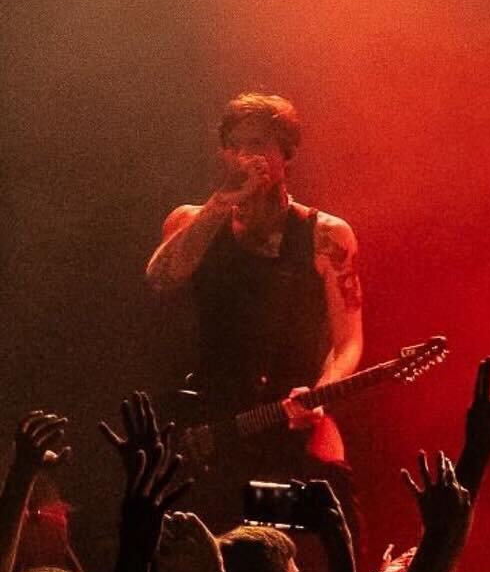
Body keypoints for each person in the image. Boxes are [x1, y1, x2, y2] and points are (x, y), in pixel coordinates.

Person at [145, 92, 362, 526]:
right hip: (211, 428)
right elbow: (161, 279)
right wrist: (220, 204)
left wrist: (320, 393)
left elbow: (348, 340)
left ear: (286, 152)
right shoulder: (192, 220)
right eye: (237, 145)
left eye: (260, 144)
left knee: (314, 531)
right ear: (224, 152)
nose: (248, 157)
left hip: (285, 426)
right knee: (215, 542)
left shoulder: (326, 235)